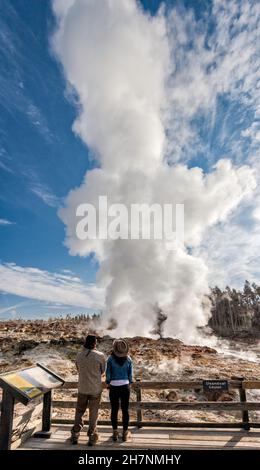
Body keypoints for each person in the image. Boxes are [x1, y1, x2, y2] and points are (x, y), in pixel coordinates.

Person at [71, 334, 106, 446]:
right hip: (95, 389)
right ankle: (92, 436)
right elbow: (102, 371)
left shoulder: (79, 356)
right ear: (94, 343)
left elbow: (78, 369)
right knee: (93, 413)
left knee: (79, 411)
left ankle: (75, 434)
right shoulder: (100, 356)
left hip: (82, 388)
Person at [106, 339, 133, 442]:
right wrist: (129, 382)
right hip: (125, 386)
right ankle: (125, 433)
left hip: (113, 386)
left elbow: (108, 374)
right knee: (125, 410)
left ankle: (115, 433)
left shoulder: (110, 359)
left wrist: (108, 382)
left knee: (114, 410)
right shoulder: (129, 359)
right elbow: (130, 375)